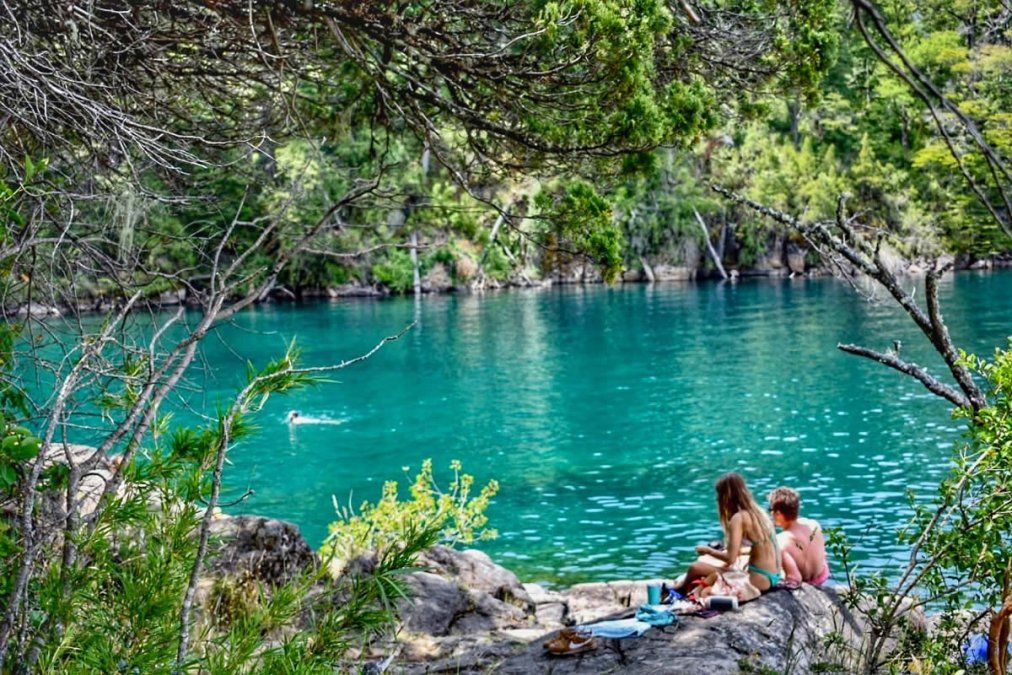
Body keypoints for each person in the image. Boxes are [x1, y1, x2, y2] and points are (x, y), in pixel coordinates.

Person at [674, 472, 781, 598]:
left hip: (758, 580)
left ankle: (678, 590)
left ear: (726, 496)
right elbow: (758, 547)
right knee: (720, 564)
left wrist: (708, 550)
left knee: (695, 567)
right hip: (773, 576)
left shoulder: (739, 518)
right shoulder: (758, 512)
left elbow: (730, 558)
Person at [768, 487, 830, 586]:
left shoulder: (781, 541)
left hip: (807, 582)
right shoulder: (814, 524)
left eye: (771, 509)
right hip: (822, 577)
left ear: (778, 513)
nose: (771, 513)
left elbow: (795, 579)